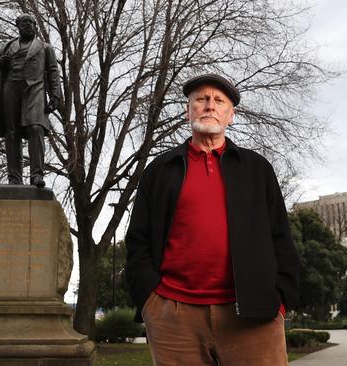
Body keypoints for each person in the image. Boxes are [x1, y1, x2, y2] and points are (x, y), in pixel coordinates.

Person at [125, 73, 300, 365]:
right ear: (188, 111)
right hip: (174, 316)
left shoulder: (256, 169)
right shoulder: (160, 170)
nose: (209, 105)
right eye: (201, 99)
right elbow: (138, 239)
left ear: (230, 115)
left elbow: (281, 239)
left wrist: (281, 299)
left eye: (219, 101)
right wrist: (150, 301)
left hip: (253, 315)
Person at [0, 13, 62, 188]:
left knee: (35, 128)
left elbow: (53, 72)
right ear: (18, 26)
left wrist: (55, 95)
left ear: (36, 26)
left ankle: (37, 175)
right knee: (11, 132)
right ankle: (15, 178)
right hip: (10, 90)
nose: (27, 25)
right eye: (23, 22)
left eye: (30, 22)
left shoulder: (45, 48)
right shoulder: (7, 47)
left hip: (34, 90)